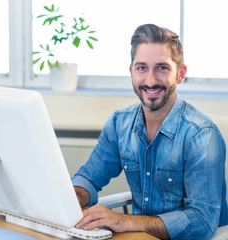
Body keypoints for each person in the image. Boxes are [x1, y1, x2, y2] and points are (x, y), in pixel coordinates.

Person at [72, 23, 228, 240]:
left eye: (162, 68)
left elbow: (202, 221)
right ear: (131, 72)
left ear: (180, 74)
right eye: (142, 68)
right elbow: (89, 177)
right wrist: (72, 197)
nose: (150, 80)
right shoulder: (119, 123)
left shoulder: (202, 135)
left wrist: (123, 221)